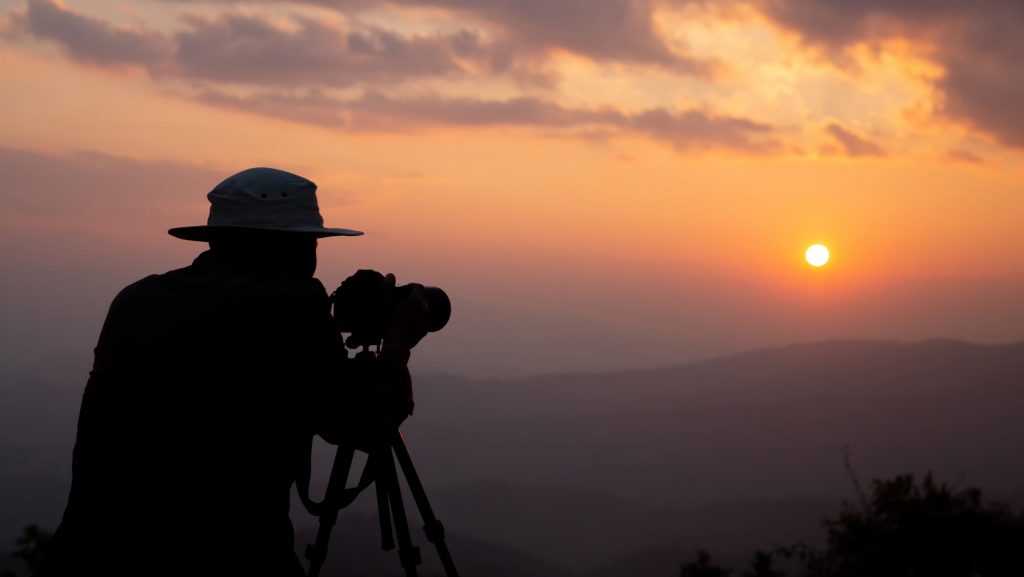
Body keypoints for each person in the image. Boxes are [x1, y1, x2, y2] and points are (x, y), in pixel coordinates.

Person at [37, 168, 427, 576]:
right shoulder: (293, 309)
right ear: (290, 247)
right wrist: (397, 342)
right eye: (312, 241)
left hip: (87, 552)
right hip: (228, 555)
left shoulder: (136, 299)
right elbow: (366, 424)